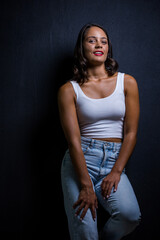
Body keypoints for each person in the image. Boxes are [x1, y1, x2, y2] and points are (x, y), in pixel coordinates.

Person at [58, 23, 141, 240]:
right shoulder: (69, 90)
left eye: (103, 41)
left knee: (129, 216)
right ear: (82, 47)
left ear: (108, 48)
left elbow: (131, 132)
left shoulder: (127, 82)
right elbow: (73, 140)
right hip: (80, 162)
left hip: (114, 161)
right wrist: (85, 184)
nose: (98, 45)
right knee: (86, 234)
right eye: (92, 40)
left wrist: (116, 171)